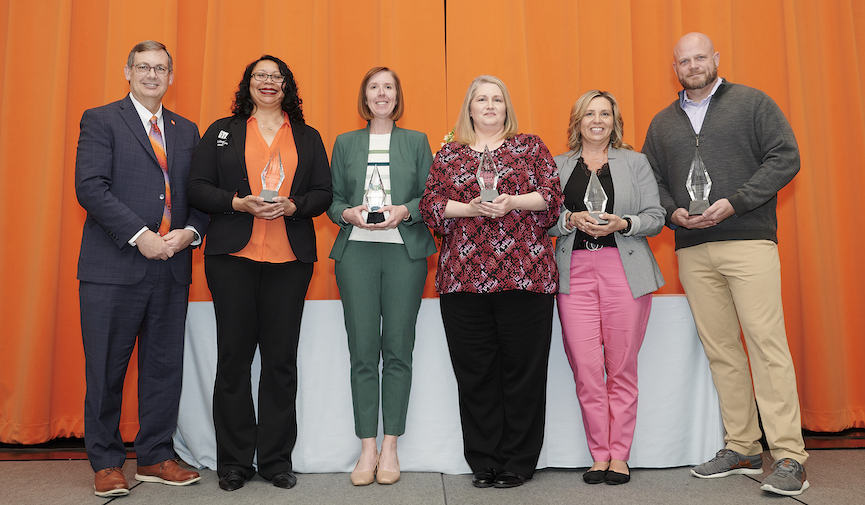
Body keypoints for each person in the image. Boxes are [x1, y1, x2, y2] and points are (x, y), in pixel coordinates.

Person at [642, 32, 808, 496]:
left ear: (715, 59)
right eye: (683, 60)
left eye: (700, 57)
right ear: (674, 68)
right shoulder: (661, 123)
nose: (692, 65)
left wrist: (736, 202)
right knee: (722, 350)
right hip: (692, 249)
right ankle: (744, 447)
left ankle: (791, 456)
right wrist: (671, 210)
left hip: (748, 239)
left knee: (765, 344)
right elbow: (651, 178)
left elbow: (785, 157)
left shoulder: (753, 104)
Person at [187, 55, 332, 492]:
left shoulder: (307, 136)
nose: (268, 83)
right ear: (248, 85)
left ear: (287, 86)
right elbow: (196, 187)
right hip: (232, 259)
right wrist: (237, 202)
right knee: (233, 359)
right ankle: (233, 462)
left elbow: (323, 193)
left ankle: (275, 461)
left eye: (276, 77)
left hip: (290, 261)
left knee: (280, 362)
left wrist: (294, 206)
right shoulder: (221, 131)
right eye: (260, 76)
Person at [75, 40, 204, 498]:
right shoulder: (102, 119)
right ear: (127, 71)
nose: (152, 75)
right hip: (114, 266)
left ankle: (154, 455)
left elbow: (201, 195)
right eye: (144, 67)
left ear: (172, 76)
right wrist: (140, 235)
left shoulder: (187, 130)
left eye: (161, 68)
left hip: (172, 265)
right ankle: (107, 461)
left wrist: (189, 232)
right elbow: (90, 188)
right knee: (107, 368)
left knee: (163, 368)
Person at [420, 75, 562, 489]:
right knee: (476, 374)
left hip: (526, 277)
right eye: (481, 99)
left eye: (496, 99)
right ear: (469, 107)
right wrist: (470, 207)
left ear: (506, 107)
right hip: (463, 280)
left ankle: (518, 460)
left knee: (524, 373)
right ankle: (483, 460)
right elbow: (430, 206)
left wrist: (511, 202)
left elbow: (552, 198)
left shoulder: (530, 146)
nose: (489, 105)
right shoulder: (449, 154)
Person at [327, 67, 436, 486]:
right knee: (362, 353)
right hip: (356, 254)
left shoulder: (416, 142)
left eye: (389, 87)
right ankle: (366, 446)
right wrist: (347, 213)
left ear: (397, 96)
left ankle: (391, 445)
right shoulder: (345, 143)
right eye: (374, 87)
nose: (382, 93)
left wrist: (405, 210)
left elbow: (431, 196)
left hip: (404, 256)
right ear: (365, 97)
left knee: (397, 351)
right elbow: (334, 200)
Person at [550, 90, 665, 485]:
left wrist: (624, 224)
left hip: (624, 269)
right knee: (585, 369)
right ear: (577, 121)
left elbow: (656, 215)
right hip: (574, 272)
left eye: (604, 114)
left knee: (621, 368)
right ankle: (598, 454)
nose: (597, 120)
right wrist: (568, 221)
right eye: (589, 114)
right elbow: (544, 220)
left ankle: (620, 455)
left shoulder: (635, 162)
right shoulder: (558, 164)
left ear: (615, 121)